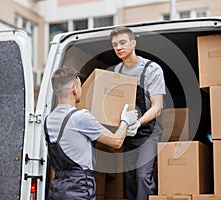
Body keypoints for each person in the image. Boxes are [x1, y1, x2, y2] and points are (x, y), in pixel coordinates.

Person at [43, 66, 138, 200]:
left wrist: (123, 131)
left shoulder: (48, 120)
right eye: (80, 86)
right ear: (74, 89)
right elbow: (116, 142)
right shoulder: (81, 117)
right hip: (78, 188)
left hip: (58, 189)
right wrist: (125, 121)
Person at [110, 26, 166, 200]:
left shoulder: (151, 69)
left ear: (133, 43)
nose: (118, 47)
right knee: (130, 179)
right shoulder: (115, 72)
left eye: (122, 42)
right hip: (126, 133)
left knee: (143, 176)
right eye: (114, 45)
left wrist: (138, 123)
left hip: (148, 131)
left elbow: (157, 106)